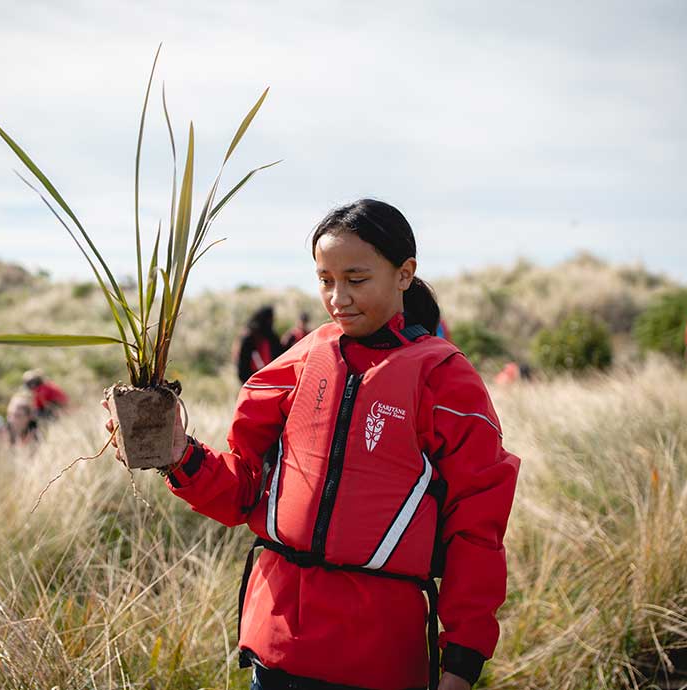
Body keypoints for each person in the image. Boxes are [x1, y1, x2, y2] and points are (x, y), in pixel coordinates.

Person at [107, 199, 520, 690]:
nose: (338, 297)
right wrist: (179, 455)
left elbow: (477, 531)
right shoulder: (298, 362)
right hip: (275, 648)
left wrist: (462, 663)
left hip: (378, 659)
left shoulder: (445, 378)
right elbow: (242, 489)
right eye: (325, 279)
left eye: (356, 279)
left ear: (405, 274)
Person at [236, 306, 284, 384]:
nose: (271, 322)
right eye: (269, 319)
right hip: (253, 381)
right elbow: (243, 366)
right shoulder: (250, 338)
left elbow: (279, 355)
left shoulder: (272, 337)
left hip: (271, 381)